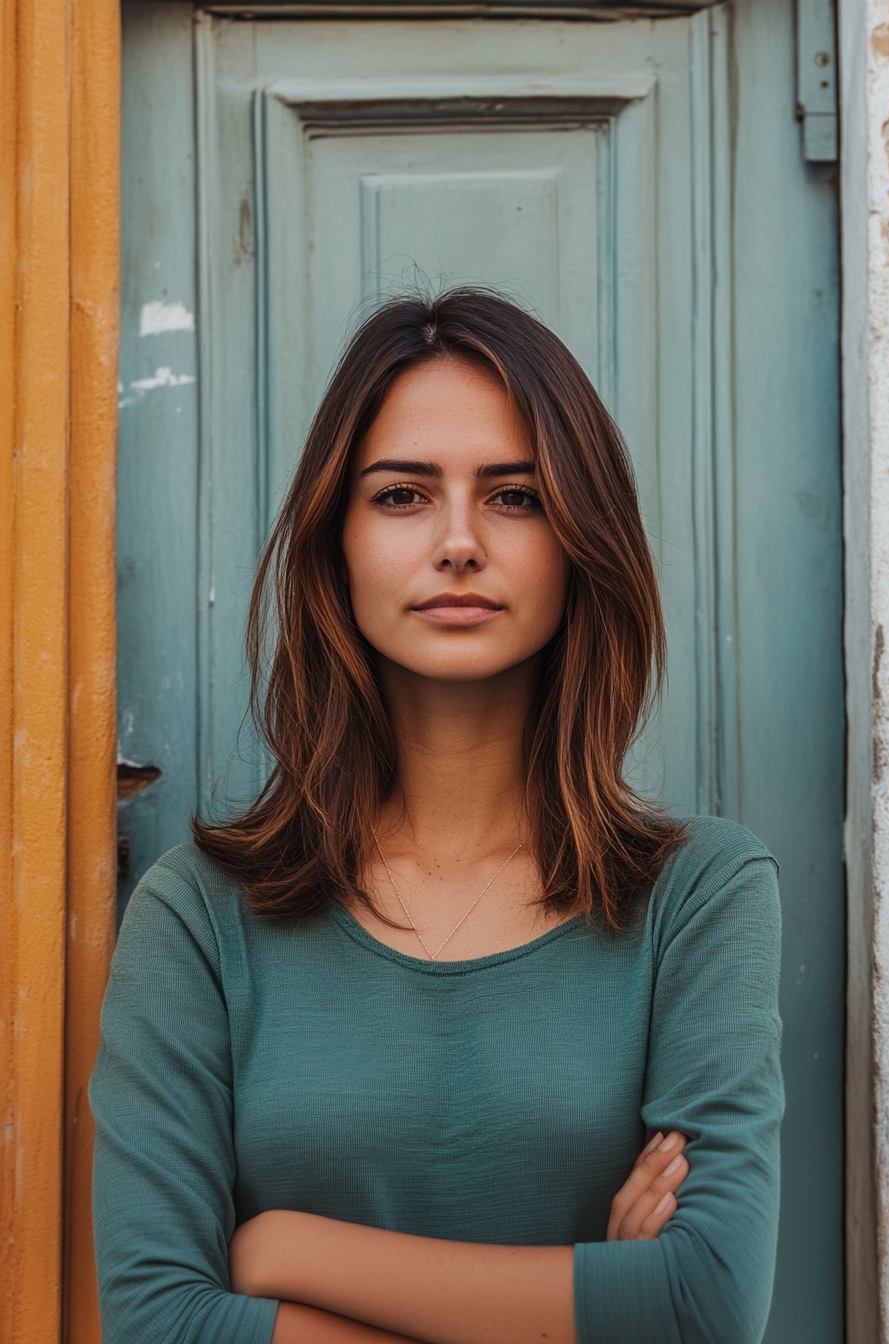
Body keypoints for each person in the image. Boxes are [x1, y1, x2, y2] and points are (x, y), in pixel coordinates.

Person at [90, 290, 783, 1344]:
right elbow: (158, 1323)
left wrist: (284, 1251)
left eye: (513, 498)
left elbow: (705, 1302)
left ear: (578, 538)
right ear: (338, 542)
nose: (458, 542)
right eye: (403, 496)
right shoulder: (199, 917)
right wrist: (592, 1305)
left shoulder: (697, 897)